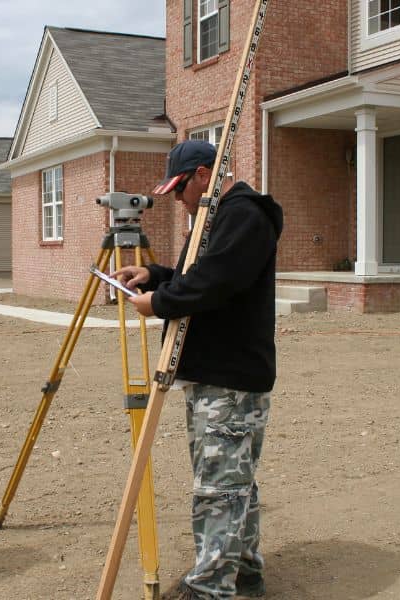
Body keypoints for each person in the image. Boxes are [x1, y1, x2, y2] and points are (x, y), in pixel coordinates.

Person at [112, 140, 283, 600]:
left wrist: (160, 303)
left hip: (230, 378)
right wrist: (157, 276)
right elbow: (197, 275)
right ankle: (243, 571)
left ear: (204, 175)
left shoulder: (243, 215)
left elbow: (217, 281)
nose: (177, 199)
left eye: (181, 188)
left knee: (219, 488)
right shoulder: (213, 218)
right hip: (215, 374)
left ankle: (210, 588)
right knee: (232, 482)